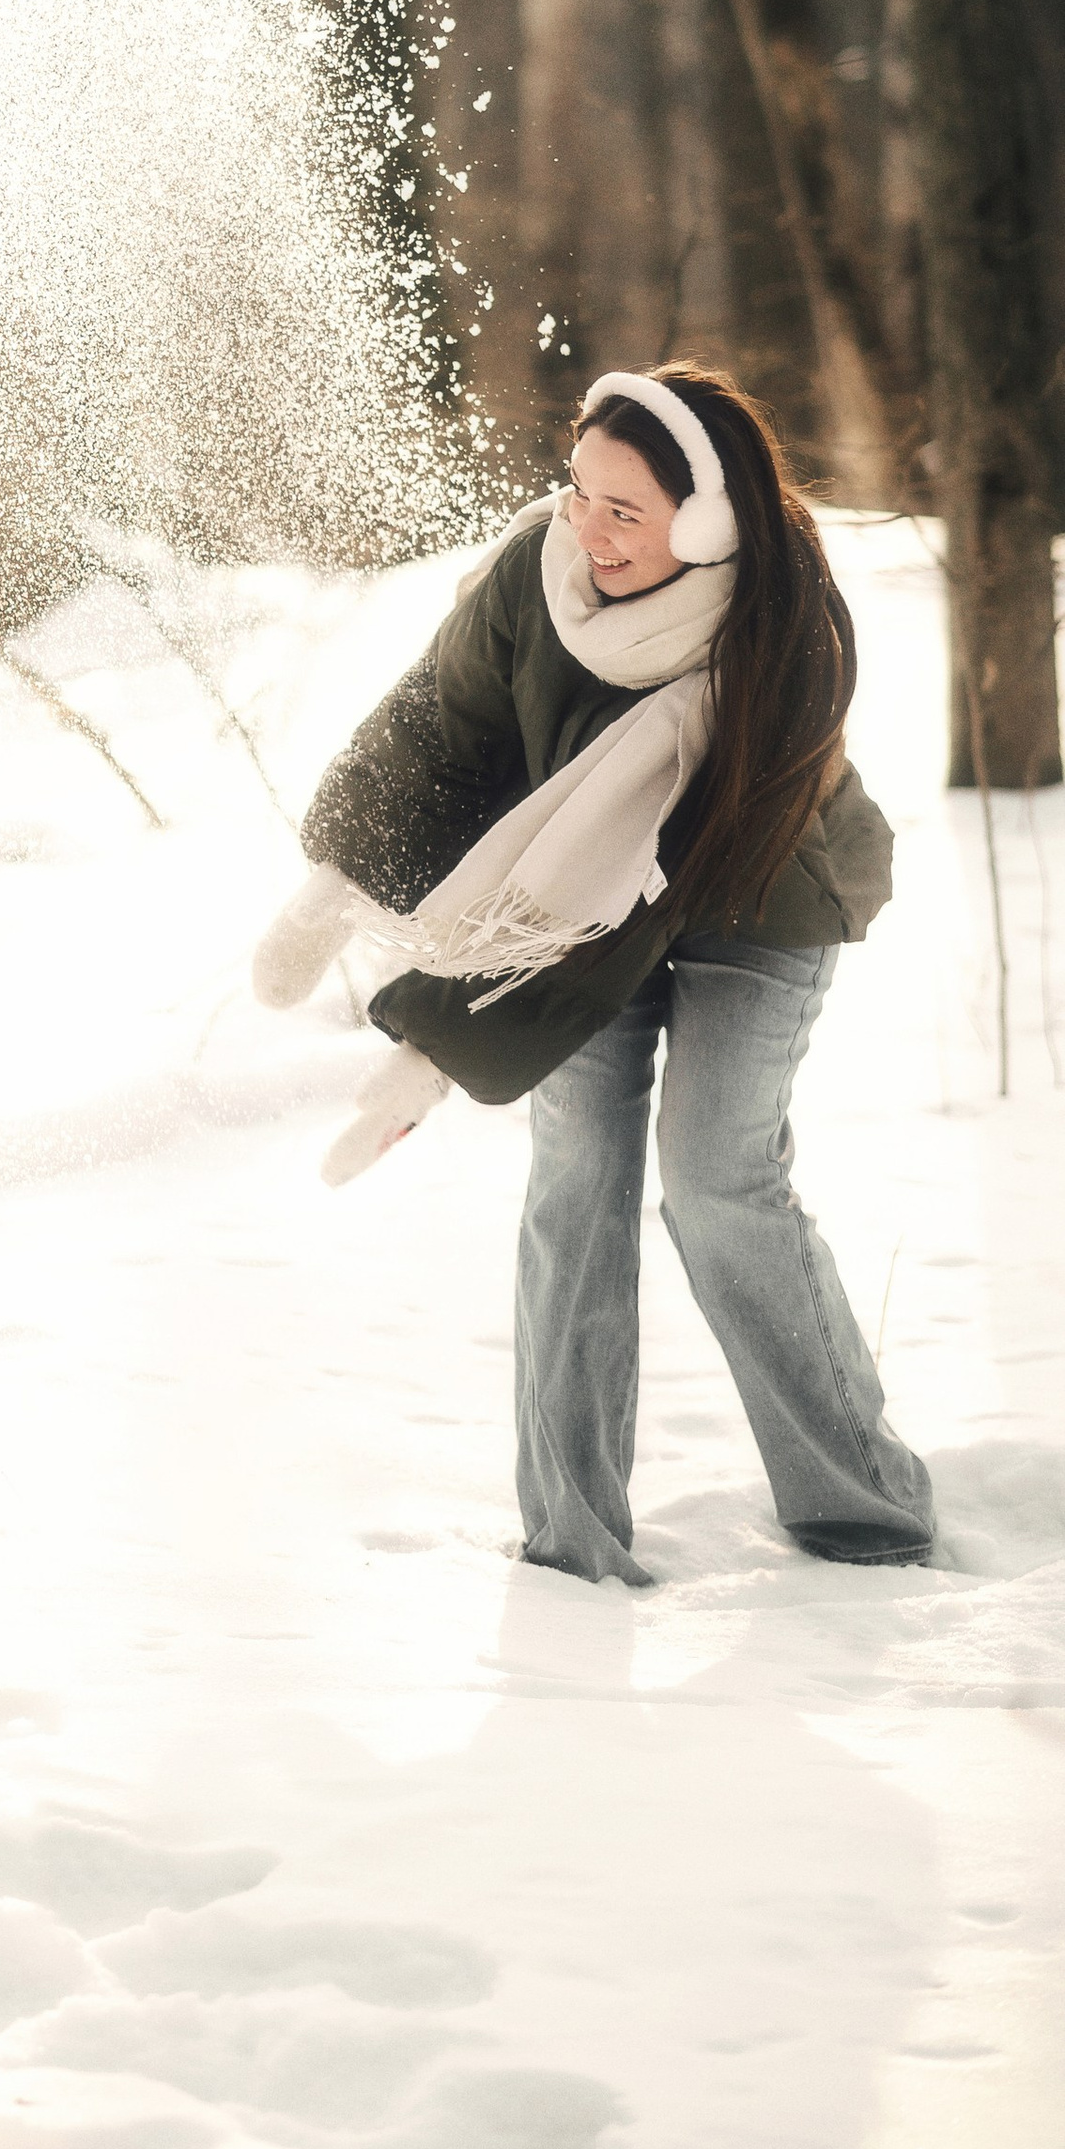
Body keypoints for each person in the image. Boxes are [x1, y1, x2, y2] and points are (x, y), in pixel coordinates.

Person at [254, 362, 934, 1582]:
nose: (591, 529)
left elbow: (629, 888)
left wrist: (441, 1049)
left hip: (756, 895)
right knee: (575, 1176)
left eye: (628, 510)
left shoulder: (782, 635)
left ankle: (861, 1510)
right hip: (569, 897)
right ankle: (571, 1541)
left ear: (710, 520)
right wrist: (334, 879)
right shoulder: (538, 569)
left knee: (718, 1175)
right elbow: (439, 723)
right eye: (580, 491)